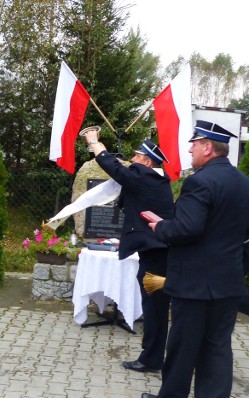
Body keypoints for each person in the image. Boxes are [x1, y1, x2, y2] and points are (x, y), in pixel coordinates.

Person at [142, 120, 249, 398]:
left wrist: (160, 226)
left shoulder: (199, 181)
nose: (190, 151)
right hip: (228, 285)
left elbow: (187, 228)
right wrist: (238, 270)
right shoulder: (247, 184)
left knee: (183, 348)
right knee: (217, 348)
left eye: (194, 145)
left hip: (193, 286)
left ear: (208, 147)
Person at [81, 130, 173, 373]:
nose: (132, 160)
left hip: (155, 257)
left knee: (154, 309)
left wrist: (94, 142)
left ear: (147, 162)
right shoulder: (156, 179)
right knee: (157, 309)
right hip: (159, 253)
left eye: (137, 156)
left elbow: (116, 168)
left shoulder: (144, 176)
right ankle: (153, 355)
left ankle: (151, 360)